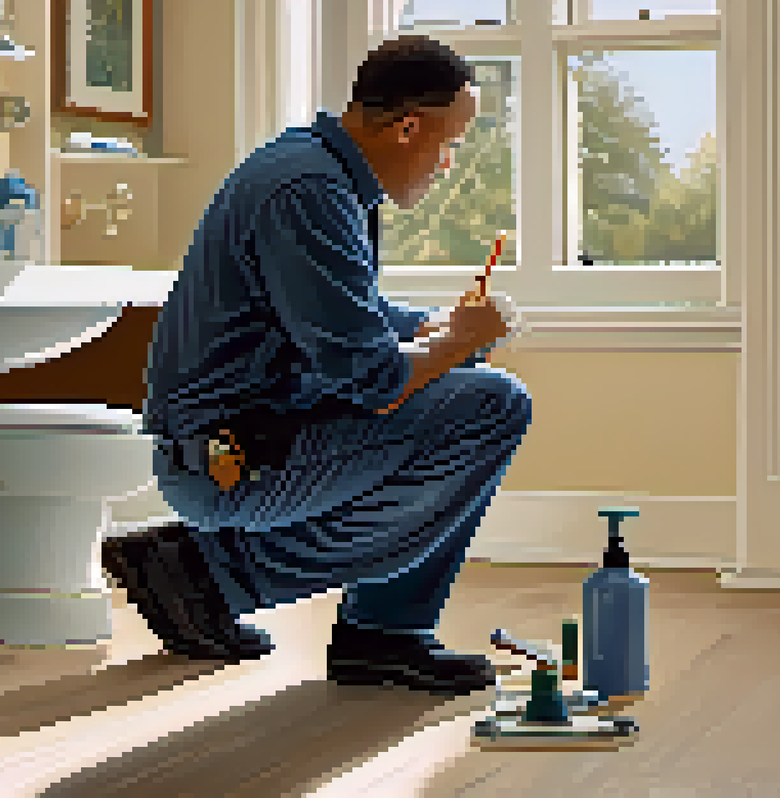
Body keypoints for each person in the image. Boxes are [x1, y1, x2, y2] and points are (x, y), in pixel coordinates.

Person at [101, 35, 532, 696]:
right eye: (450, 142)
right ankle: (216, 576)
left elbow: (342, 316)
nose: (447, 163)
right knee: (494, 403)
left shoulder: (309, 169)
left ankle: (371, 630)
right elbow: (373, 379)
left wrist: (436, 331)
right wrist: (454, 343)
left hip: (242, 441)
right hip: (231, 462)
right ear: (408, 126)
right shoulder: (310, 191)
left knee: (464, 384)